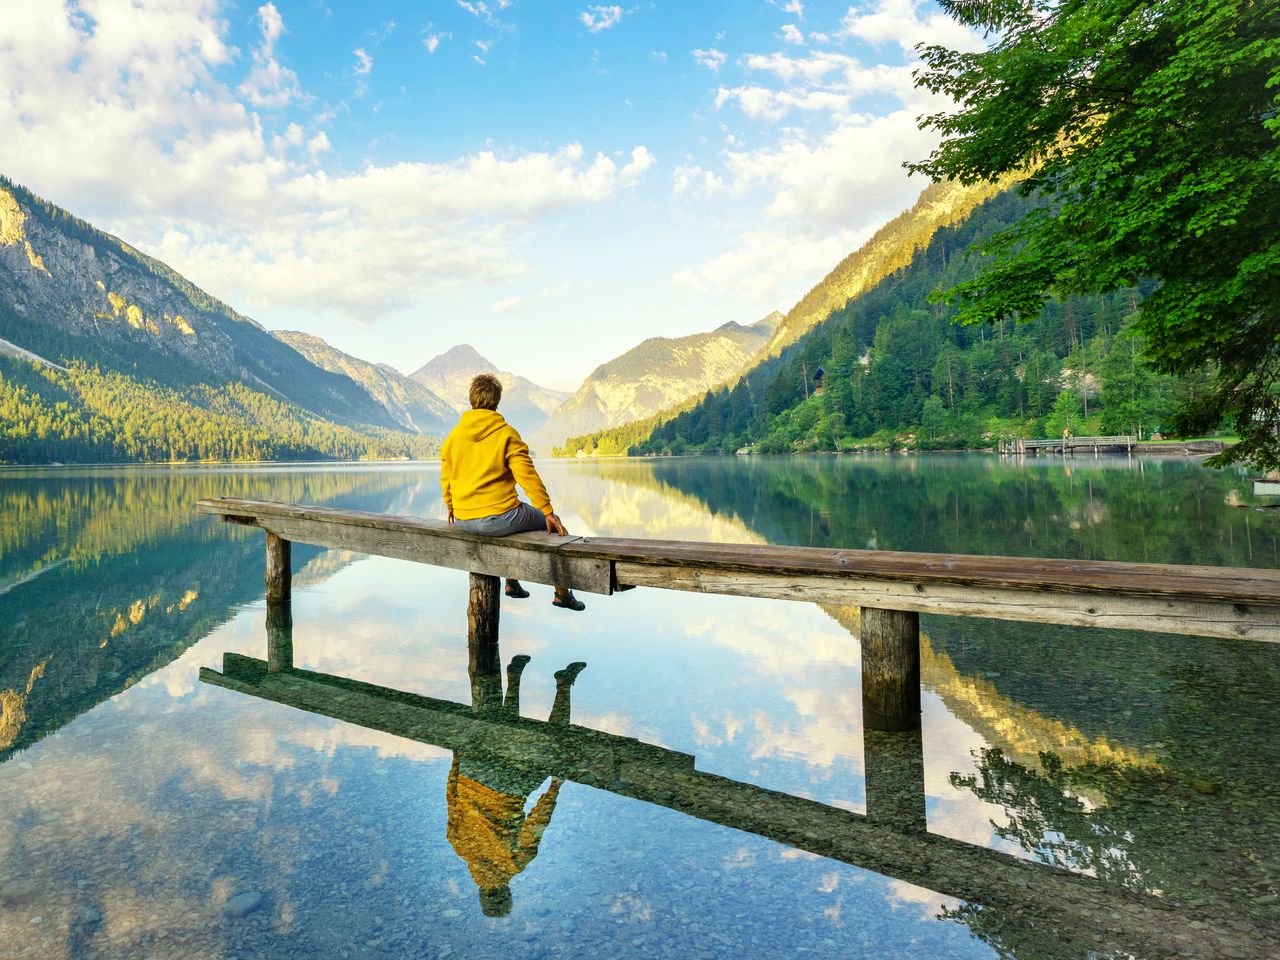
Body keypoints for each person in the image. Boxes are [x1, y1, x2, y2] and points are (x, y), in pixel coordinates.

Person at [441, 373, 584, 611]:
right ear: (496, 401)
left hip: (464, 520)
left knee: (515, 522)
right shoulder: (506, 433)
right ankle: (562, 592)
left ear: (471, 400)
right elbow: (527, 476)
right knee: (551, 526)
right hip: (499, 518)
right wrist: (548, 511)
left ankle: (513, 582)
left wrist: (451, 506)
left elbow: (446, 477)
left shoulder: (454, 437)